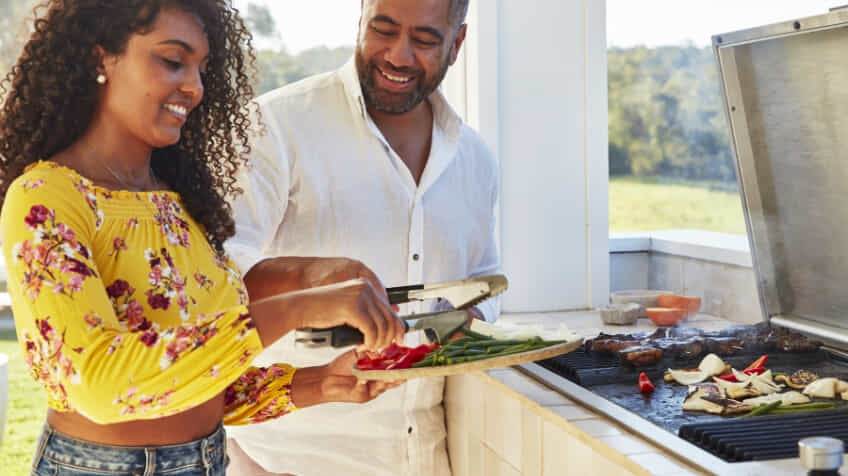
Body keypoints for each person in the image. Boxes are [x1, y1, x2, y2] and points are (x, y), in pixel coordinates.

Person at [0, 1, 405, 475]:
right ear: (99, 58)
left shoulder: (177, 202)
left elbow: (189, 375)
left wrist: (319, 384)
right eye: (173, 61)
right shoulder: (47, 198)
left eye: (202, 68)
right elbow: (100, 385)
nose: (194, 88)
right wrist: (301, 305)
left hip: (208, 461)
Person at [224, 0, 501, 474]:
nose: (398, 55)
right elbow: (218, 275)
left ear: (457, 44)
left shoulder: (474, 159)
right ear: (360, 20)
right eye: (383, 29)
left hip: (422, 458)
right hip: (284, 459)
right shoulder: (274, 126)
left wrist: (465, 318)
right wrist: (316, 280)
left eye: (425, 40)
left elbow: (485, 280)